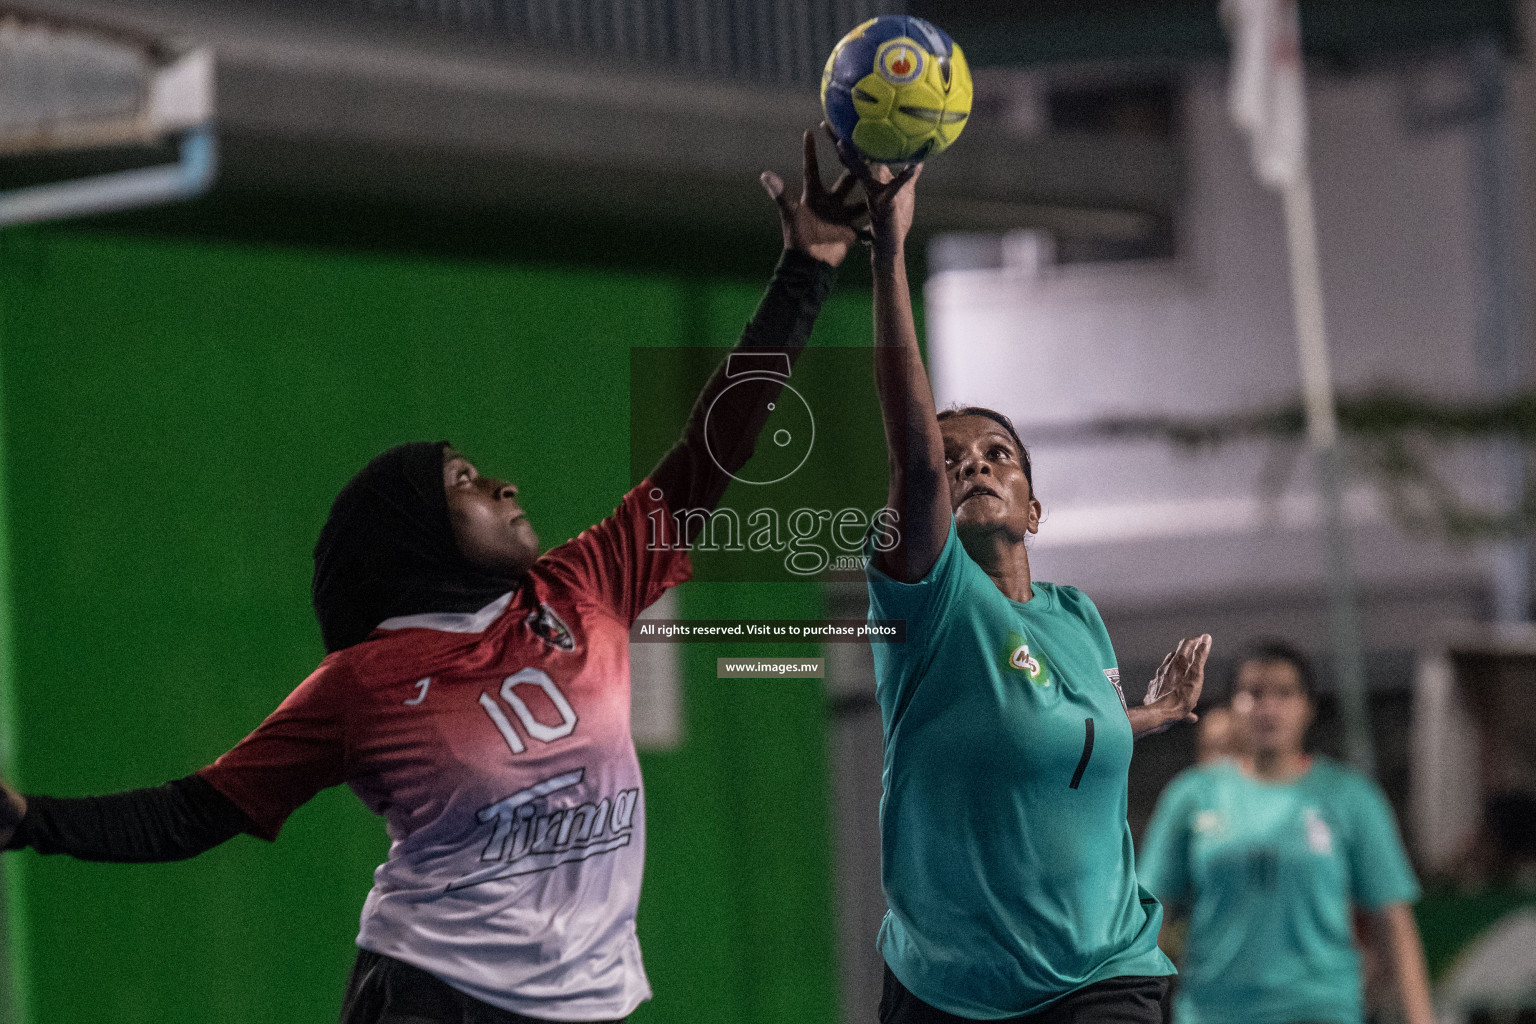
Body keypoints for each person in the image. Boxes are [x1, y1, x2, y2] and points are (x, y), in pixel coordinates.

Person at [0, 131, 867, 1024]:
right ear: (415, 538)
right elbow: (198, 810)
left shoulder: (586, 586)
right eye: (464, 482)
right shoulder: (364, 687)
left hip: (585, 1004)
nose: (503, 484)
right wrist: (32, 821)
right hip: (431, 996)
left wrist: (807, 269)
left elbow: (713, 451)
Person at [834, 132, 1213, 1024]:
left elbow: (1056, 723)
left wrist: (1148, 716)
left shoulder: (1076, 615)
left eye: (999, 454)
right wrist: (888, 254)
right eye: (956, 452)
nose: (973, 465)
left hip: (1104, 972)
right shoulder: (928, 600)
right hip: (951, 986)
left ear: (1034, 508)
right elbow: (914, 460)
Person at [1137, 641, 1435, 1024]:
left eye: (1285, 693)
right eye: (1254, 693)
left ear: (1308, 706)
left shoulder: (1349, 797)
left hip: (1321, 1010)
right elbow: (1150, 915)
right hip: (1213, 1012)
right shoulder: (1191, 796)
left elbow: (1394, 922)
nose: (1268, 707)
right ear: (1232, 707)